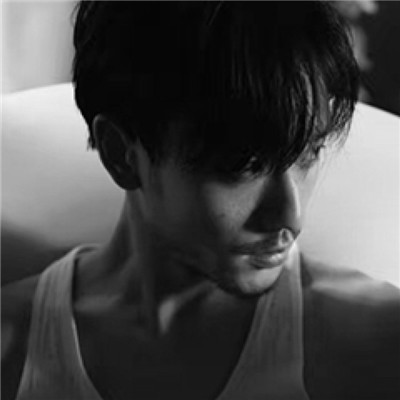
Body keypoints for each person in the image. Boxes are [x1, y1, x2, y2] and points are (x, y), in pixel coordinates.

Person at [2, 2, 399, 399]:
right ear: (121, 154)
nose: (290, 216)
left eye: (309, 154)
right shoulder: (12, 342)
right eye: (242, 167)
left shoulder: (376, 340)